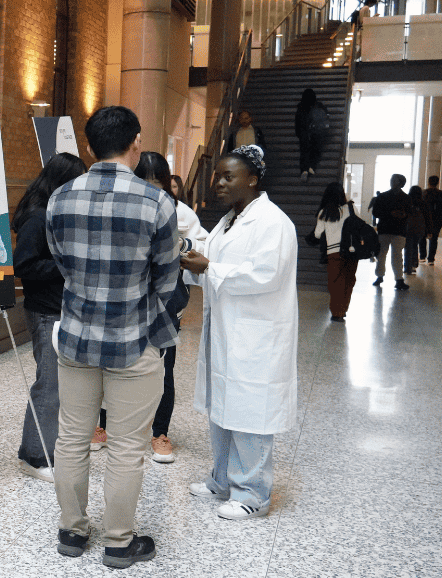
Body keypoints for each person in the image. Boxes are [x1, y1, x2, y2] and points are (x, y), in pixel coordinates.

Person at [45, 106, 179, 569]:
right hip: (134, 338)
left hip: (77, 336)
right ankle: (119, 543)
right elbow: (166, 279)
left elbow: (61, 263)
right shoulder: (157, 202)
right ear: (136, 143)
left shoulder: (59, 198)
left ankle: (72, 532)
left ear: (88, 147)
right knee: (126, 446)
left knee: (72, 438)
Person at [181, 145, 298, 521]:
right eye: (217, 175)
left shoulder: (273, 222)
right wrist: (192, 265)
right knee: (223, 408)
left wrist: (210, 266)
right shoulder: (229, 219)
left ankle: (252, 493)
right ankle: (222, 480)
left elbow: (266, 275)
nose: (218, 183)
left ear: (252, 179)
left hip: (256, 337)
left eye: (228, 176)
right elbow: (215, 269)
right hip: (227, 332)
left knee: (251, 414)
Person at [11, 152, 87, 483]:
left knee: (57, 385)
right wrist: (67, 265)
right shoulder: (37, 217)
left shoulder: (53, 213)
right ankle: (35, 455)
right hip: (44, 311)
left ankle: (47, 449)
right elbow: (23, 266)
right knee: (49, 384)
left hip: (57, 309)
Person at [134, 152, 209, 464]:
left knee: (164, 368)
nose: (152, 189)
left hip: (166, 304)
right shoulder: (127, 205)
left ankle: (159, 431)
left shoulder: (181, 213)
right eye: (145, 182)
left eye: (158, 183)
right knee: (113, 363)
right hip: (129, 301)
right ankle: (105, 425)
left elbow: (202, 247)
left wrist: (181, 247)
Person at [310, 182, 358, 321]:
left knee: (336, 282)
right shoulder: (351, 207)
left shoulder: (324, 212)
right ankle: (343, 309)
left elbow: (318, 234)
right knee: (349, 280)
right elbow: (361, 224)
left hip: (334, 252)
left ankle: (337, 313)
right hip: (352, 251)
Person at [370, 173, 411, 290]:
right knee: (382, 254)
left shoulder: (404, 198)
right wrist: (392, 214)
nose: (392, 182)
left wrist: (403, 215)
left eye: (395, 180)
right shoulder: (383, 196)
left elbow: (409, 214)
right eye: (392, 179)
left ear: (401, 183)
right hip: (387, 229)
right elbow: (375, 213)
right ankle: (380, 276)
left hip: (397, 230)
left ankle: (398, 279)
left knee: (396, 255)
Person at [294, 89, 330, 182]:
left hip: (304, 136)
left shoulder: (301, 108)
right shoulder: (319, 107)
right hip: (317, 135)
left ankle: (304, 170)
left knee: (304, 152)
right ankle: (312, 167)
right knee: (315, 152)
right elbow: (326, 121)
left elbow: (297, 124)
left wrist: (300, 134)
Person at [423, 175, 442, 264]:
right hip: (438, 220)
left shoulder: (424, 193)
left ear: (428, 182)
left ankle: (422, 256)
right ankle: (431, 259)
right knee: (434, 239)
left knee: (422, 237)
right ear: (438, 182)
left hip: (424, 219)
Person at [404, 185, 431, 274]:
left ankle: (407, 266)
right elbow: (428, 218)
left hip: (408, 227)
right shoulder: (423, 203)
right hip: (419, 228)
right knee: (414, 246)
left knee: (408, 247)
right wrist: (429, 231)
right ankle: (413, 265)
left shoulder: (407, 202)